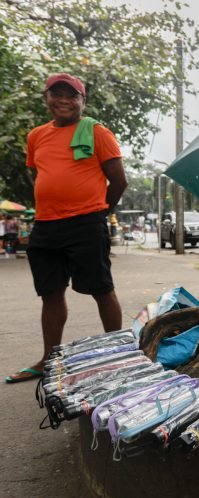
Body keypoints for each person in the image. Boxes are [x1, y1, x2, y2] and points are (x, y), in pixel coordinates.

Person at [6, 73, 128, 383]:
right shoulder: (36, 136)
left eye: (71, 95)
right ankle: (49, 358)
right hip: (46, 226)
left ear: (82, 102)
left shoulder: (97, 132)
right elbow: (44, 174)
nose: (64, 100)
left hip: (86, 223)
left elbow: (119, 181)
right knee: (50, 292)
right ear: (46, 98)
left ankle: (120, 355)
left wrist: (99, 214)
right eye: (57, 94)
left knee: (101, 288)